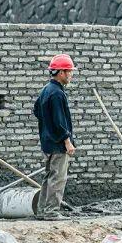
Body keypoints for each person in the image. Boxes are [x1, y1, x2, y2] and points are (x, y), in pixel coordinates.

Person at [33, 54, 77, 216]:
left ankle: (42, 210)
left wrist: (47, 129)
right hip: (58, 143)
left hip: (48, 142)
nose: (71, 75)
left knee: (49, 176)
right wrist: (67, 141)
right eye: (69, 72)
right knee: (58, 178)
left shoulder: (46, 90)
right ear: (61, 73)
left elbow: (37, 111)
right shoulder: (57, 93)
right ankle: (51, 211)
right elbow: (60, 122)